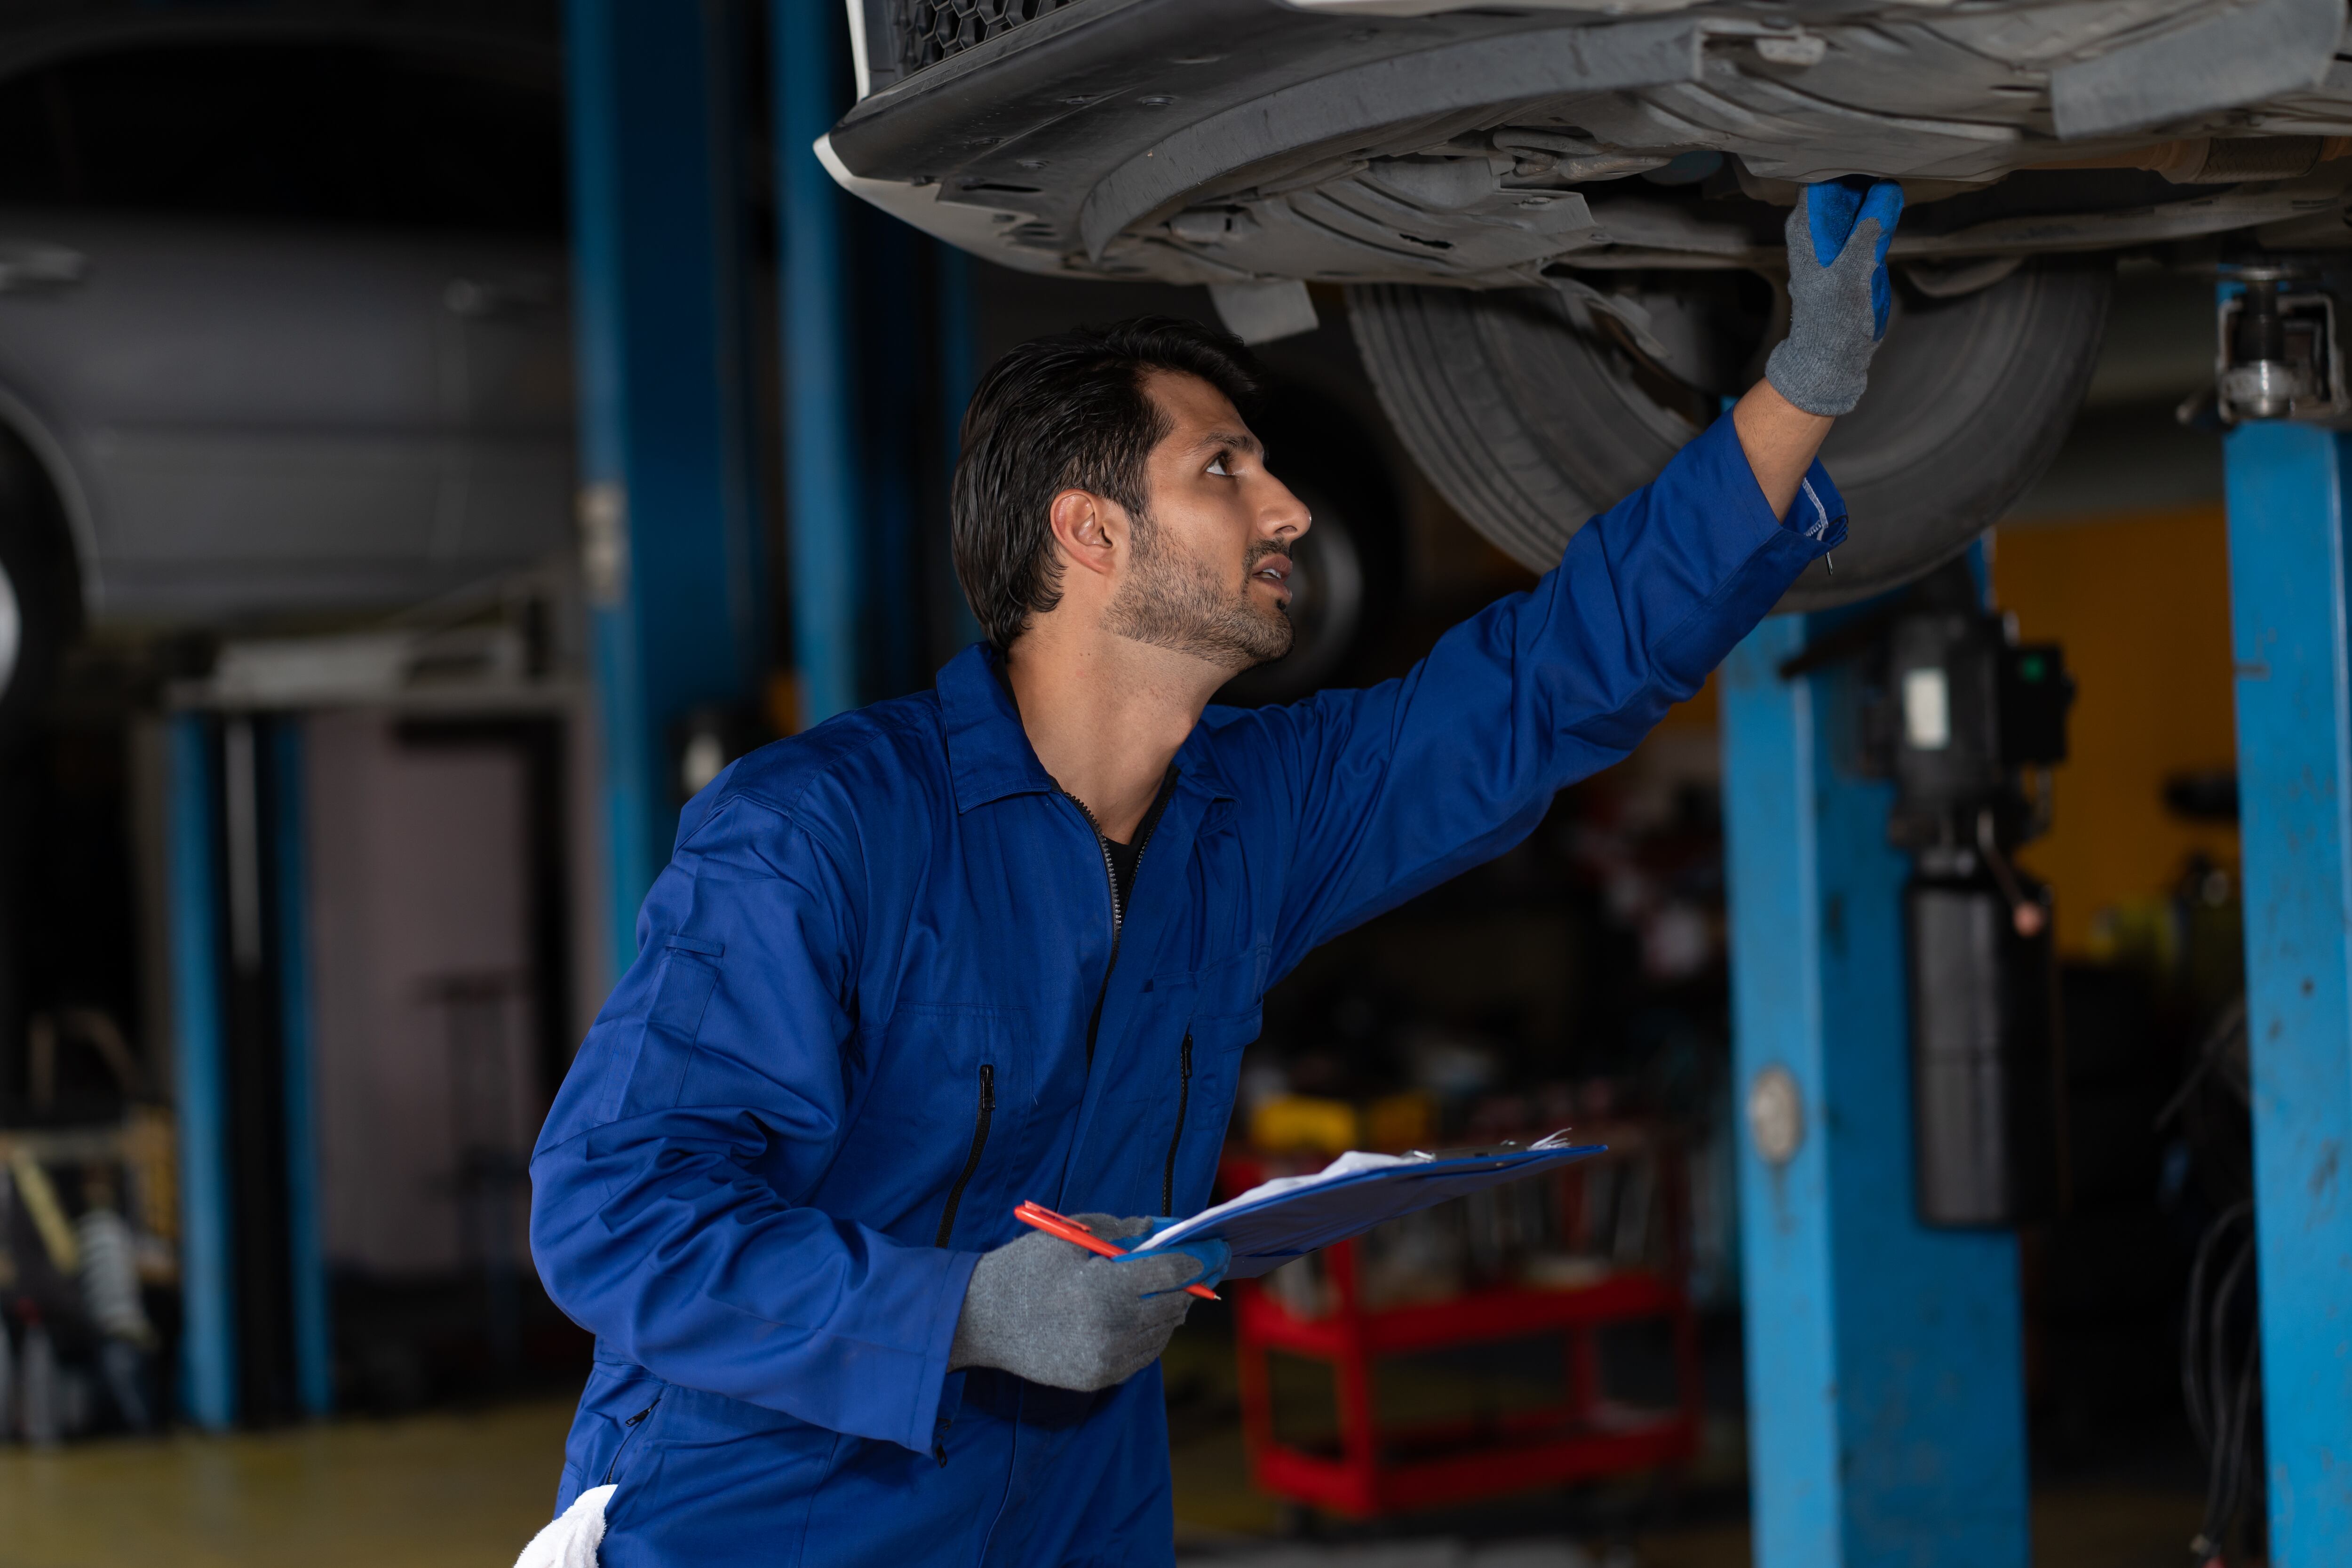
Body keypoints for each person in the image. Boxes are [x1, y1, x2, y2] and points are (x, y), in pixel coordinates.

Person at [527, 179, 1903, 1567]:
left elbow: (1546, 683)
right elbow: (613, 1214)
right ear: (1089, 533)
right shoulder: (820, 833)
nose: (1292, 510)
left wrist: (1801, 391)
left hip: (1071, 1522)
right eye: (1225, 468)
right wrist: (968, 1316)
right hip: (769, 1521)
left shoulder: (1253, 815)